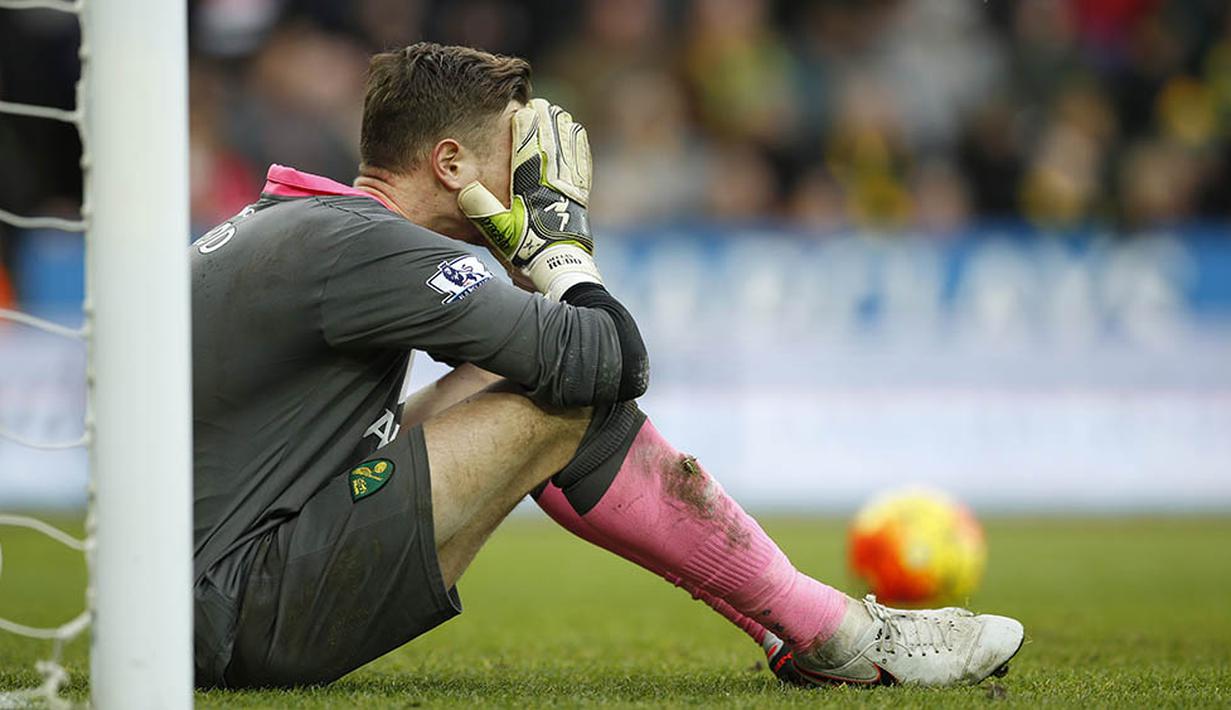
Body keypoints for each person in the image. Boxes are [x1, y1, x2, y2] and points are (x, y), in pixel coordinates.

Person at [191, 42, 1024, 690]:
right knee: (560, 400)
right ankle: (834, 636)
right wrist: (561, 248)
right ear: (450, 165)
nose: (531, 178)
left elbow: (544, 350)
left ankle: (798, 631)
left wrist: (528, 278)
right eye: (517, 159)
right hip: (239, 615)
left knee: (514, 376)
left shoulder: (302, 224)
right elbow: (609, 362)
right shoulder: (367, 245)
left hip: (197, 600)